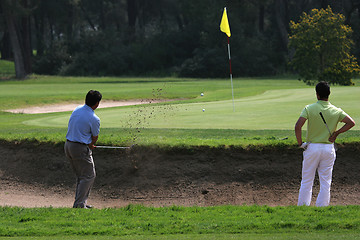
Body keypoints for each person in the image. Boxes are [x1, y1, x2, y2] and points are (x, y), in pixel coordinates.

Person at [295, 81, 355, 207]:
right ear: (329, 94)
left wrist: (300, 143)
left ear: (317, 94)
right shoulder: (336, 110)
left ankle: (302, 206)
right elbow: (351, 123)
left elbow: (298, 126)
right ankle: (322, 207)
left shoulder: (309, 108)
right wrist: (336, 133)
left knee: (307, 180)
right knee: (325, 181)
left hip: (312, 148)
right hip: (328, 148)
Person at [64, 90, 102, 208]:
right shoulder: (94, 118)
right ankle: (79, 205)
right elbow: (94, 137)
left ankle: (81, 203)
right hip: (79, 148)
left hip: (68, 146)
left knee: (82, 176)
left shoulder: (77, 109)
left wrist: (89, 144)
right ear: (96, 103)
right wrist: (91, 145)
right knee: (89, 176)